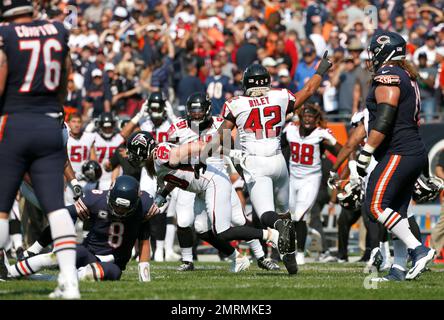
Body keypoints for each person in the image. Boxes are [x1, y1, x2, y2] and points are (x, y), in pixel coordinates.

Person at [197, 52, 333, 274]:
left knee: (267, 215)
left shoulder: (236, 104)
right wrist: (320, 71)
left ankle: (280, 235)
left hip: (255, 162)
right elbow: (308, 91)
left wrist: (202, 157)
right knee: (285, 213)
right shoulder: (280, 96)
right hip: (279, 160)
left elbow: (221, 137)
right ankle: (290, 260)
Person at [0, 0, 79, 298]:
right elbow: (65, 77)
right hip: (50, 122)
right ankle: (70, 284)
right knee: (56, 208)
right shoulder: (57, 30)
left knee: (2, 210)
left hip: (16, 123)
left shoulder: (6, 35)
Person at [126, 131, 283, 274]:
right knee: (201, 229)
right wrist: (163, 194)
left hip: (212, 182)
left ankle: (270, 235)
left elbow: (200, 146)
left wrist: (230, 153)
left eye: (133, 152)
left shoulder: (162, 154)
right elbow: (177, 175)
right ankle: (238, 259)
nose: (132, 156)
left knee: (223, 231)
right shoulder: (157, 158)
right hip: (201, 188)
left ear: (142, 149)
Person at [354, 31, 435, 280]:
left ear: (384, 51)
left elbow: (386, 118)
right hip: (411, 150)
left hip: (400, 151)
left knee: (375, 206)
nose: (372, 56)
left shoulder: (388, 76)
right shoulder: (405, 75)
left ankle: (419, 249)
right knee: (396, 212)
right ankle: (398, 268)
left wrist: (367, 151)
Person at [166, 92, 279, 271]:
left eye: (199, 110)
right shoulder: (178, 127)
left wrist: (241, 175)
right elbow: (169, 155)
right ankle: (201, 259)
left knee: (239, 220)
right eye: (193, 111)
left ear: (208, 110)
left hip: (217, 178)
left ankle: (261, 257)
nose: (196, 114)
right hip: (192, 182)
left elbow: (231, 153)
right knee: (194, 225)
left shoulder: (220, 124)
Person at [3, 176, 154, 282]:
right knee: (60, 255)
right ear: (109, 195)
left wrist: (145, 279)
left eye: (124, 208)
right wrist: (34, 249)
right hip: (88, 253)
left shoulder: (144, 205)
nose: (119, 212)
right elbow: (61, 216)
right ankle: (9, 272)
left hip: (113, 264)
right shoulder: (96, 200)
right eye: (116, 206)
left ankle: (43, 278)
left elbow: (144, 242)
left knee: (113, 273)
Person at [282, 103, 341, 265]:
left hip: (311, 179)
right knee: (291, 216)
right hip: (293, 178)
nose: (308, 119)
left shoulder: (321, 134)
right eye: (305, 116)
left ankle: (300, 253)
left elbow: (341, 151)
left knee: (300, 214)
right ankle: (297, 246)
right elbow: (279, 148)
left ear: (316, 119)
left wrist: (335, 170)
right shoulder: (290, 130)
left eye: (311, 117)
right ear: (300, 118)